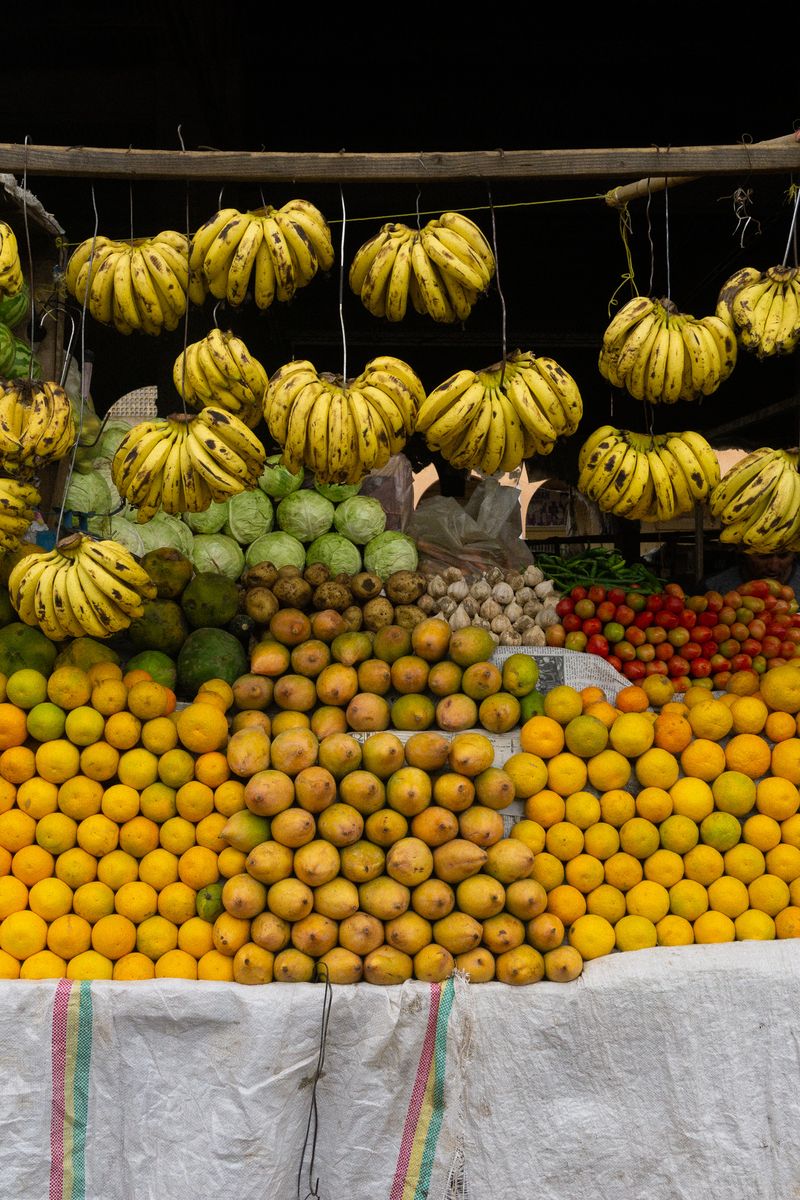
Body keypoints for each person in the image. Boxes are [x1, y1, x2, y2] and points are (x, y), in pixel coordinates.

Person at [704, 549, 800, 596]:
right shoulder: (714, 588)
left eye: (783, 556)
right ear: (745, 553)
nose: (773, 567)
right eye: (763, 556)